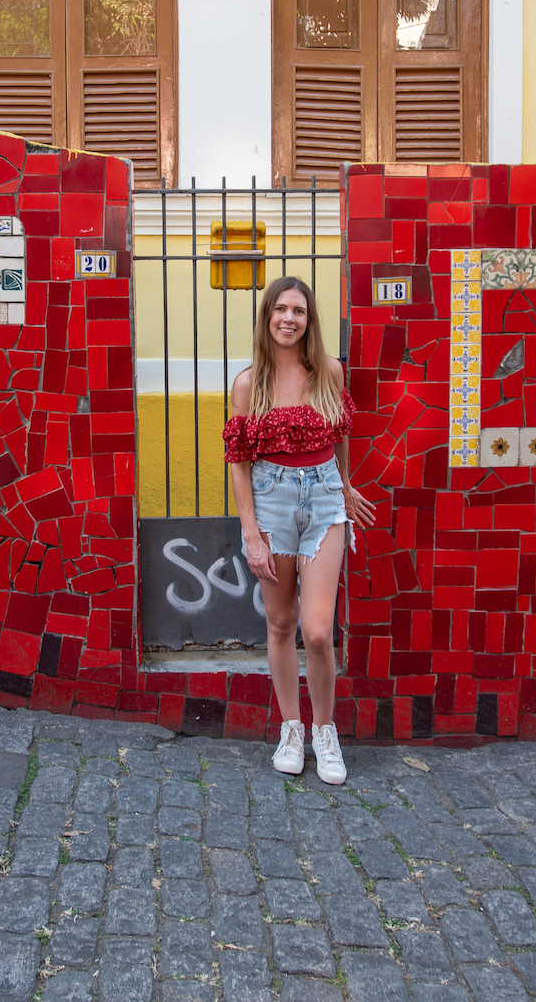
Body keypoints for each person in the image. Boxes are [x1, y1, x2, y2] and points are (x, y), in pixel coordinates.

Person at [224, 276, 376, 783]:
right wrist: (250, 532)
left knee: (316, 630)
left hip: (325, 500)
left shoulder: (329, 372)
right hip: (271, 502)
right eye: (281, 310)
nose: (289, 318)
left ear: (310, 322)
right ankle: (291, 727)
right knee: (281, 624)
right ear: (267, 316)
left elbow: (342, 433)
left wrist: (346, 485)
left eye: (300, 311)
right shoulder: (250, 383)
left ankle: (325, 731)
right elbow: (238, 461)